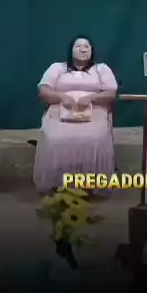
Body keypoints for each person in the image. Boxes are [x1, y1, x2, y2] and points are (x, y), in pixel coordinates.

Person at [34, 35, 118, 194]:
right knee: (55, 139)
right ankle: (57, 183)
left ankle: (91, 184)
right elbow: (44, 90)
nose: (83, 49)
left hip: (94, 112)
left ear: (92, 51)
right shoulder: (57, 68)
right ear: (71, 50)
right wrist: (61, 96)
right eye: (78, 46)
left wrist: (91, 98)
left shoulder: (101, 69)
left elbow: (111, 93)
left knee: (94, 139)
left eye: (87, 46)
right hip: (60, 111)